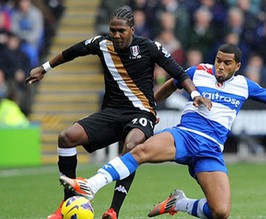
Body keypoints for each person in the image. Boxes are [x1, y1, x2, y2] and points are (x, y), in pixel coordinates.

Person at [59, 44, 266, 219]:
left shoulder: (245, 85)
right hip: (186, 135)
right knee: (140, 150)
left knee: (221, 211)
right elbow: (172, 83)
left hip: (211, 149)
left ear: (237, 66)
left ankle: (179, 203)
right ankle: (91, 185)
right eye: (218, 60)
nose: (220, 67)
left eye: (227, 63)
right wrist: (149, 107)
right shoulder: (198, 72)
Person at [25, 7, 210, 219]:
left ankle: (114, 210)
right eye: (112, 30)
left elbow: (179, 73)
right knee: (66, 137)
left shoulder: (149, 47)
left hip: (142, 112)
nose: (116, 35)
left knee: (131, 147)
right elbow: (72, 52)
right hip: (112, 112)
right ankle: (67, 204)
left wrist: (195, 94)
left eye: (121, 31)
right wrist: (44, 68)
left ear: (132, 29)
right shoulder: (102, 44)